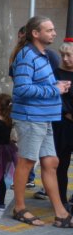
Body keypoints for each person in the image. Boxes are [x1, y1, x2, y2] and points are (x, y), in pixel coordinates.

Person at [10, 16, 72, 227]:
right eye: (49, 30)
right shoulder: (27, 56)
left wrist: (56, 84)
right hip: (31, 117)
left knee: (51, 162)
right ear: (36, 33)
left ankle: (61, 213)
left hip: (44, 118)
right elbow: (22, 89)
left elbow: (37, 83)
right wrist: (54, 89)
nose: (54, 33)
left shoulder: (43, 55)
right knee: (27, 162)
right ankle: (19, 208)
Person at [53, 39, 73, 209]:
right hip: (63, 125)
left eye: (69, 55)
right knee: (61, 164)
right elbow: (54, 100)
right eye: (63, 55)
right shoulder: (55, 74)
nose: (65, 59)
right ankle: (61, 200)